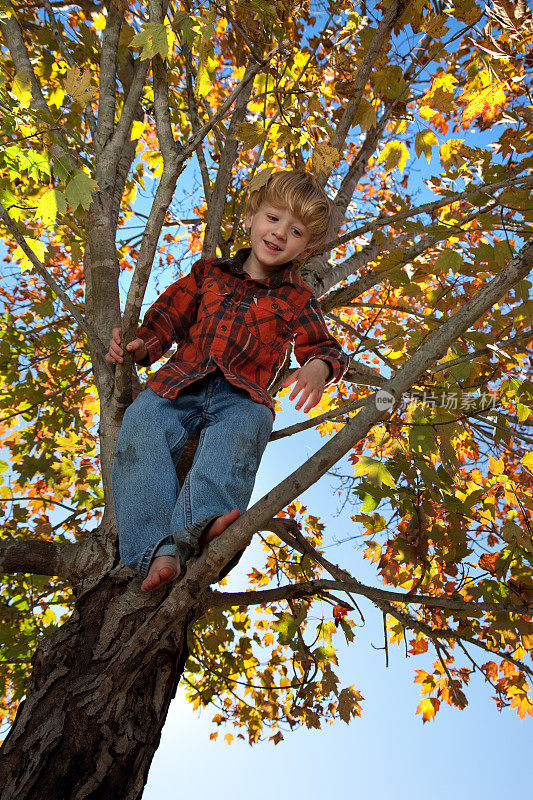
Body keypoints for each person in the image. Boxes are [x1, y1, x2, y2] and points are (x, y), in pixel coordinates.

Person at [107, 170, 349, 592]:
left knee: (244, 431)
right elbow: (168, 318)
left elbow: (323, 347)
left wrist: (317, 368)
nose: (279, 234)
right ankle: (153, 549)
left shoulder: (297, 298)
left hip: (241, 394)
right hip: (180, 381)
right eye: (273, 219)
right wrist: (140, 345)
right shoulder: (208, 274)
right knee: (141, 420)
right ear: (251, 216)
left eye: (294, 231)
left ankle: (199, 527)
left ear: (305, 247)